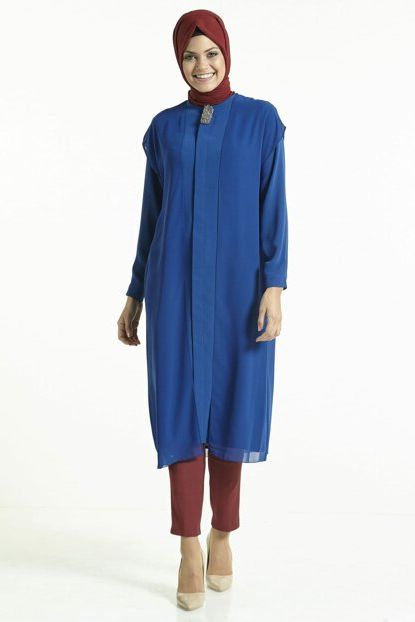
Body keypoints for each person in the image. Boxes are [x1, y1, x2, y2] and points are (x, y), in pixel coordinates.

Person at [117, 9, 288, 611]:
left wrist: (275, 284)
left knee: (235, 410)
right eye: (190, 56)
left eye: (211, 53)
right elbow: (151, 216)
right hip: (174, 291)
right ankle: (188, 546)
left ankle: (222, 535)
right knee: (182, 411)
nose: (202, 65)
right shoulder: (163, 129)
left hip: (242, 291)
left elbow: (274, 206)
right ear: (178, 62)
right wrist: (135, 291)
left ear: (227, 54)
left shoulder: (261, 122)